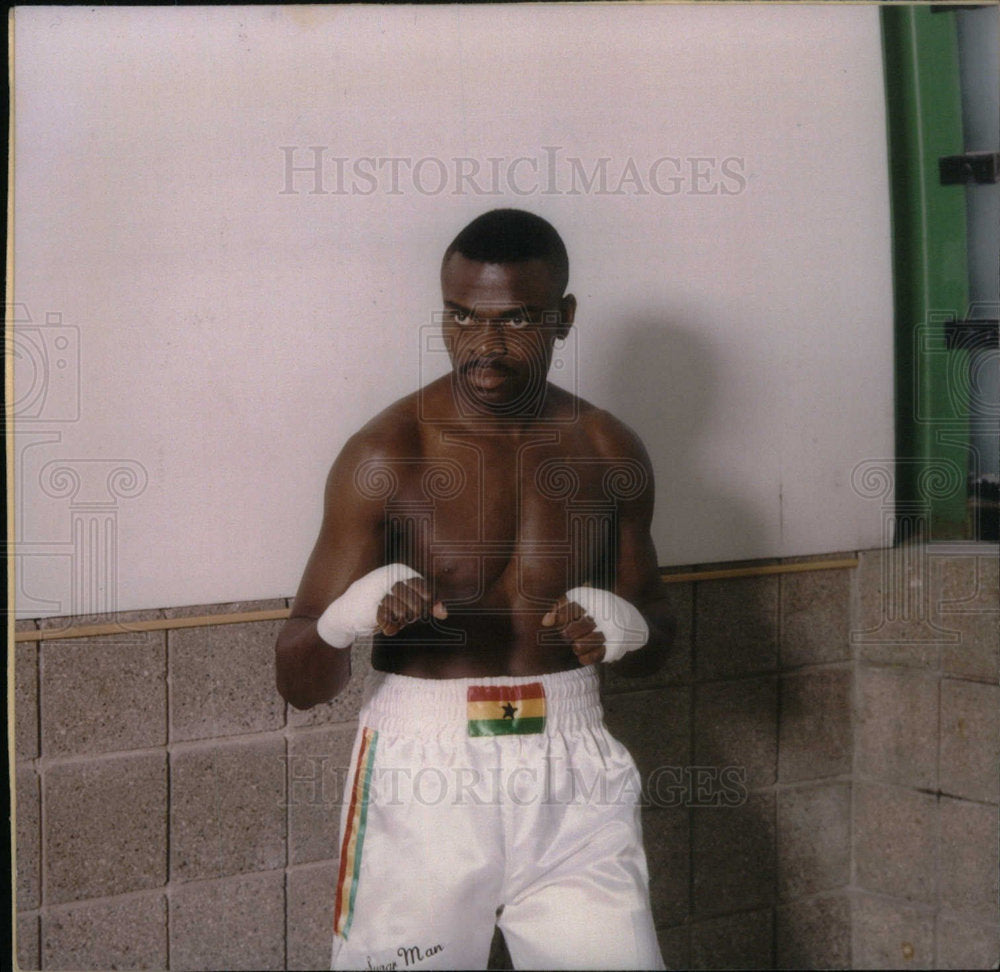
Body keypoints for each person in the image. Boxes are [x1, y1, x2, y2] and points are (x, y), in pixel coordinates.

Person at [276, 209, 674, 970]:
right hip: (423, 767)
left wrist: (630, 628)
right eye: (462, 317)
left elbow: (659, 636)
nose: (483, 347)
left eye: (516, 319)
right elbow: (295, 678)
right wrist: (341, 622)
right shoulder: (386, 454)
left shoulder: (607, 449)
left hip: (573, 763)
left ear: (564, 317)